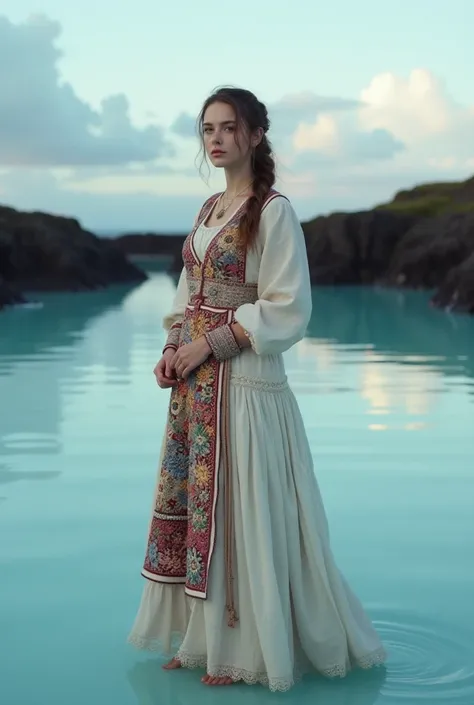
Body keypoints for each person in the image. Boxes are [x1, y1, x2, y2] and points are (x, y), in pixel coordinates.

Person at [127, 86, 386, 691]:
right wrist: (172, 348)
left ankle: (246, 648)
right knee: (197, 508)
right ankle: (201, 638)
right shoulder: (208, 209)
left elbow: (289, 307)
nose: (215, 139)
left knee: (242, 509)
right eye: (207, 129)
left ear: (256, 134)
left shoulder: (272, 211)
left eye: (228, 127)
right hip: (195, 388)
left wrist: (208, 345)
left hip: (245, 385)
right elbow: (188, 293)